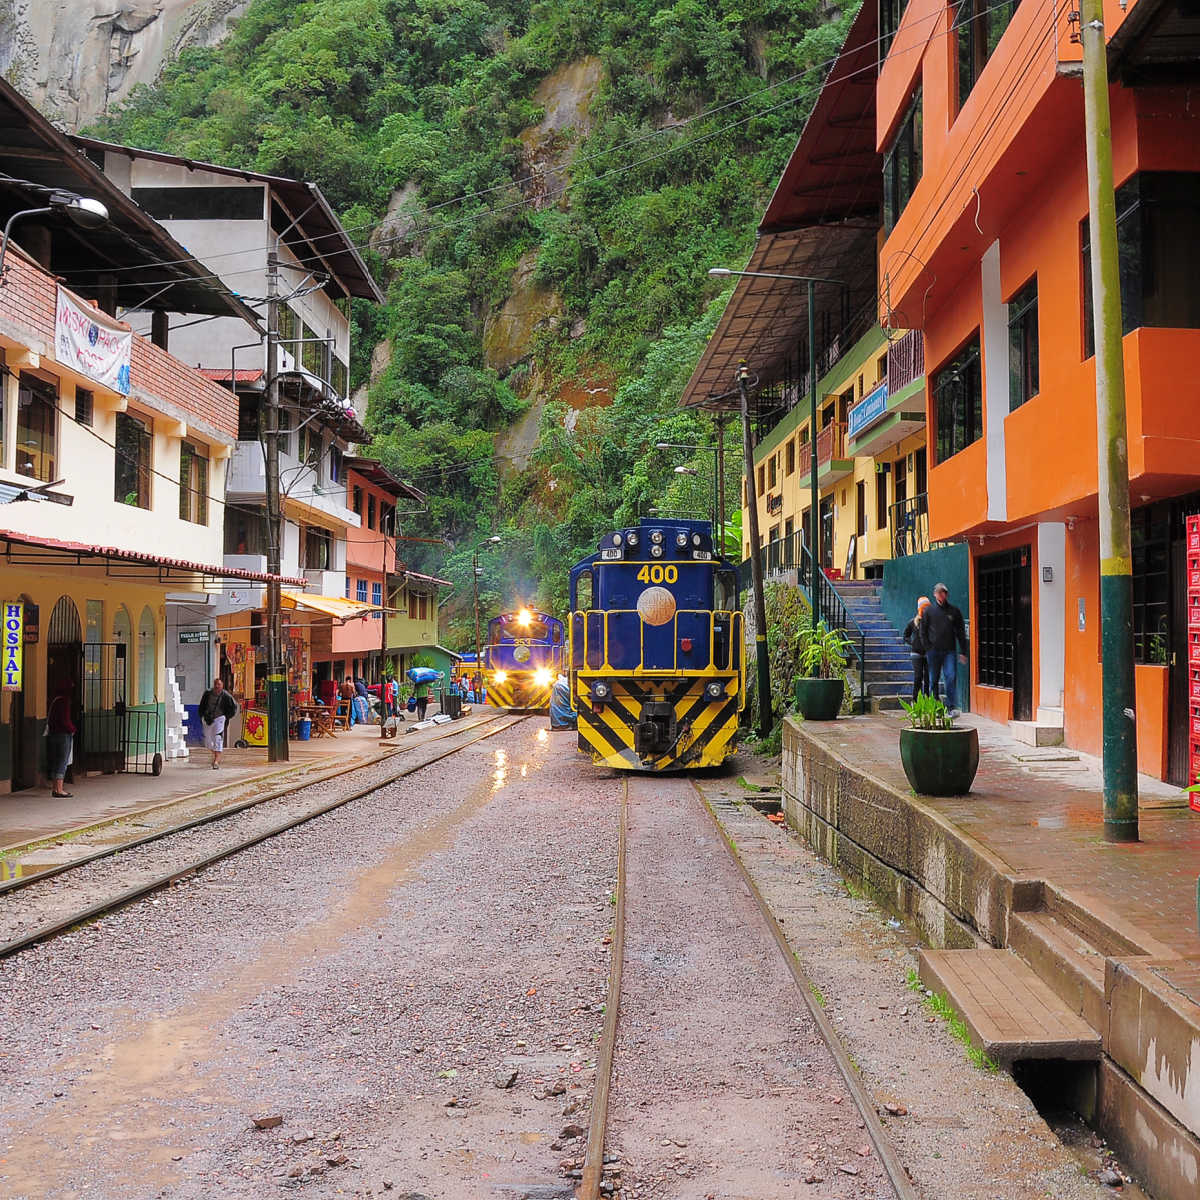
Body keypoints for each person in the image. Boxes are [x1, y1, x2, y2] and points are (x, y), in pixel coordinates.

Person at [919, 582, 968, 717]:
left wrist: (963, 651)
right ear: (934, 594)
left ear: (946, 594)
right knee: (933, 679)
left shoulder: (954, 611)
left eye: (943, 592)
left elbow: (960, 632)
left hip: (949, 651)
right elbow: (922, 631)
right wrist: (928, 648)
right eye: (938, 592)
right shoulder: (928, 611)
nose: (941, 594)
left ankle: (951, 707)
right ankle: (935, 708)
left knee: (951, 676)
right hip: (933, 651)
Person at [199, 676, 238, 769]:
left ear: (222, 685)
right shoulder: (207, 694)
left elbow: (234, 706)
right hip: (208, 719)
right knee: (208, 741)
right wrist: (202, 716)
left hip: (220, 719)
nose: (217, 686)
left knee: (218, 738)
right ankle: (215, 754)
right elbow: (202, 705)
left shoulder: (226, 696)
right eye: (216, 684)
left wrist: (227, 716)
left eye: (219, 684)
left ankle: (216, 760)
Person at [46, 680, 76, 798]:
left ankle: (55, 787)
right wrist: (72, 729)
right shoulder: (64, 701)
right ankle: (59, 789)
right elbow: (65, 720)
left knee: (56, 761)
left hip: (53, 734)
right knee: (62, 761)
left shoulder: (55, 700)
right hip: (63, 734)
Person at [903, 596, 931, 702]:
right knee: (918, 676)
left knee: (928, 678)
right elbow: (905, 636)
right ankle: (915, 701)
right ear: (919, 608)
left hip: (929, 653)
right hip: (916, 653)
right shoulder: (912, 622)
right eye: (924, 607)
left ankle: (927, 701)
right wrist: (913, 643)